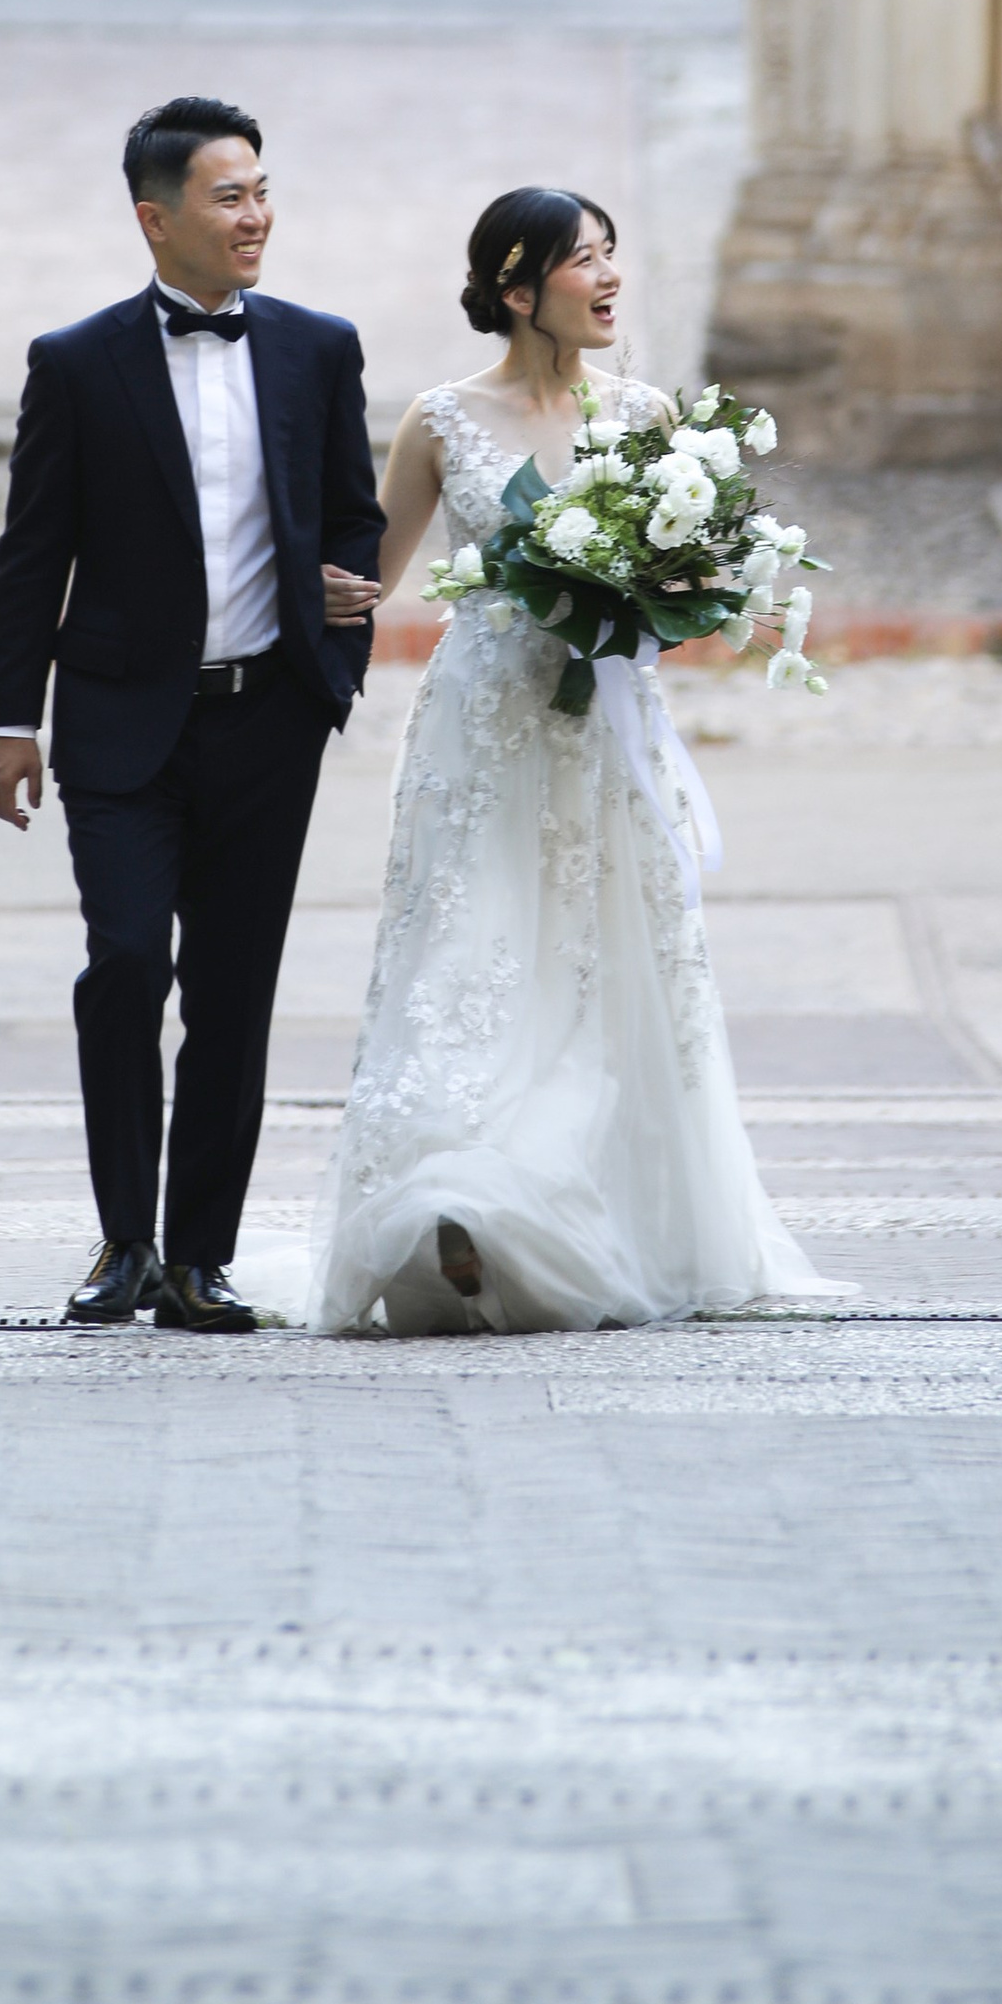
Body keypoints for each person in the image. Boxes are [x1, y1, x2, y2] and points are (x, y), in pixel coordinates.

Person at [308, 186, 826, 1335]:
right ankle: (449, 1196)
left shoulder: (647, 418)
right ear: (513, 288)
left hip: (604, 729)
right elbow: (370, 577)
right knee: (474, 947)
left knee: (603, 962)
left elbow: (690, 591)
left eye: (609, 254)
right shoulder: (440, 421)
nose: (606, 278)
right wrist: (307, 582)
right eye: (581, 260)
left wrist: (684, 589)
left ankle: (585, 1215)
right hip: (484, 726)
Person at [0, 97, 383, 1332]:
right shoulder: (76, 361)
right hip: (115, 724)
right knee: (123, 964)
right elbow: (30, 551)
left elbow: (354, 514)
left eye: (261, 190)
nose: (255, 215)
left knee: (231, 988)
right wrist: (10, 721)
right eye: (228, 195)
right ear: (156, 219)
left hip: (267, 722)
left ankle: (200, 1258)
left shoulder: (320, 349)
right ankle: (123, 1241)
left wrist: (336, 632)